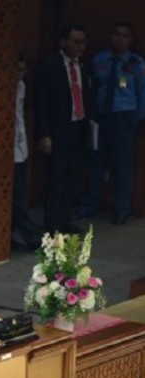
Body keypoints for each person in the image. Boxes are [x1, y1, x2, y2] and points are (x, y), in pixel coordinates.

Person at [80, 22, 145, 225]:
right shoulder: (100, 59)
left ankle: (121, 209)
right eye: (116, 34)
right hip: (100, 117)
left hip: (124, 117)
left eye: (125, 36)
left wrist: (137, 118)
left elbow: (142, 93)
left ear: (131, 40)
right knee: (96, 163)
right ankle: (89, 205)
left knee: (122, 166)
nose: (119, 39)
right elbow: (91, 87)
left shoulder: (137, 64)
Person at [34, 24, 91, 234]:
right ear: (63, 42)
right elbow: (41, 101)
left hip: (77, 127)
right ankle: (53, 225)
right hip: (57, 131)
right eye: (75, 42)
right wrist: (43, 133)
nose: (80, 46)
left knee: (71, 176)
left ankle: (64, 220)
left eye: (82, 42)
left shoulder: (82, 66)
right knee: (56, 178)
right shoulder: (50, 65)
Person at [12, 54, 42, 252]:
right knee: (16, 197)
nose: (20, 74)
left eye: (23, 70)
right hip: (9, 151)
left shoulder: (21, 87)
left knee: (19, 194)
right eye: (17, 69)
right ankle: (31, 237)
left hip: (19, 148)